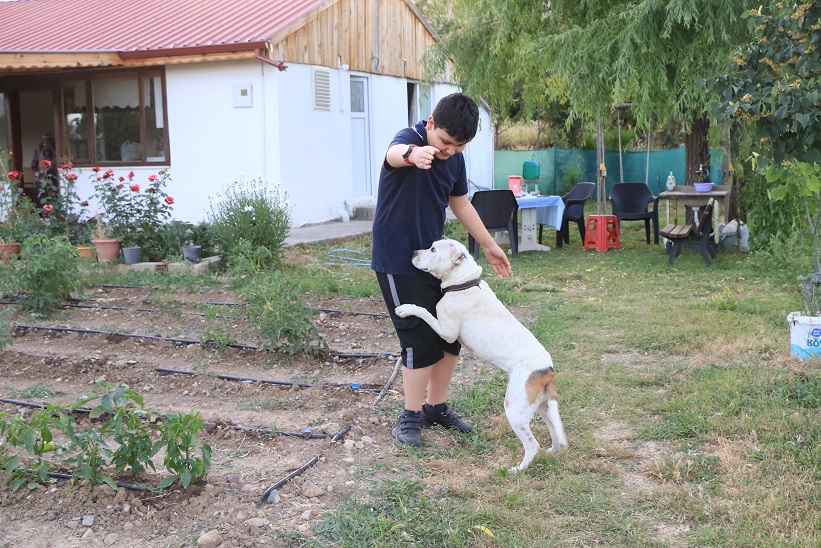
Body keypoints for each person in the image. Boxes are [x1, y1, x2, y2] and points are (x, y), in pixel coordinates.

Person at [371, 92, 512, 447]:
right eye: (445, 142)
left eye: (458, 147)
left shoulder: (454, 158)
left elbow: (460, 202)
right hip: (398, 258)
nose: (449, 151)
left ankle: (436, 407)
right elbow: (393, 155)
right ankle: (410, 416)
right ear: (430, 123)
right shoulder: (411, 140)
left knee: (449, 335)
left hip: (437, 265)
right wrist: (412, 155)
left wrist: (491, 245)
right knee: (417, 337)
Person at [31, 133, 59, 205]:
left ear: (52, 143)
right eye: (44, 142)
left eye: (48, 142)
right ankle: (42, 214)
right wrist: (38, 172)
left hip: (52, 177)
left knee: (53, 195)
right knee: (40, 196)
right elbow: (34, 164)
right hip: (40, 177)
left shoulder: (56, 152)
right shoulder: (38, 151)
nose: (46, 144)